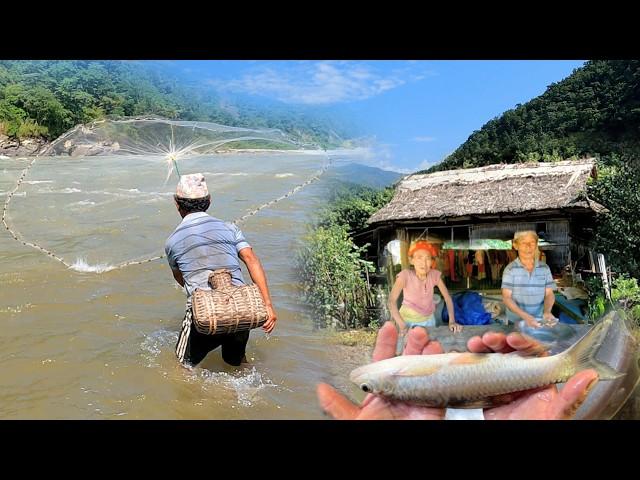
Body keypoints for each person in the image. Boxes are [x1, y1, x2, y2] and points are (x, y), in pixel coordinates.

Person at [316, 322, 599, 420]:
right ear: (391, 380)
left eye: (367, 386)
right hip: (483, 377)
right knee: (493, 348)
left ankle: (560, 365)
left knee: (492, 346)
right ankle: (563, 365)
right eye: (368, 388)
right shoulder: (400, 380)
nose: (365, 383)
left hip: (481, 380)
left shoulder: (399, 379)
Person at [165, 173, 277, 367]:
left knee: (182, 367)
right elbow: (251, 260)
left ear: (177, 204)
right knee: (237, 364)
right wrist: (267, 305)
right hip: (241, 310)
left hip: (205, 315)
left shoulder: (172, 242)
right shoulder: (230, 228)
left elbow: (180, 278)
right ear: (209, 201)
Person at [388, 240, 462, 337]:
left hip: (429, 321)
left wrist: (452, 321)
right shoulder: (405, 275)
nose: (424, 263)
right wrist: (402, 325)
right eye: (419, 258)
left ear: (432, 261)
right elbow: (391, 301)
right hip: (407, 322)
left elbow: (447, 298)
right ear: (412, 260)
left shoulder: (434, 275)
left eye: (428, 258)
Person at [502, 231, 557, 329]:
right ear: (515, 245)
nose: (528, 247)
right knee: (518, 343)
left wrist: (547, 312)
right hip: (516, 321)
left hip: (539, 319)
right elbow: (506, 298)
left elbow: (549, 294)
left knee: (539, 343)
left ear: (536, 245)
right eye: (523, 243)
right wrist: (526, 317)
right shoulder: (510, 270)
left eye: (532, 242)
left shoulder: (545, 268)